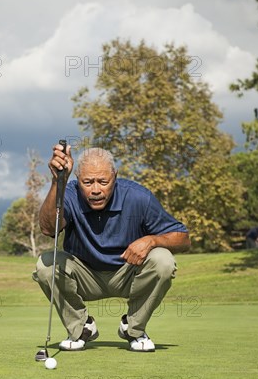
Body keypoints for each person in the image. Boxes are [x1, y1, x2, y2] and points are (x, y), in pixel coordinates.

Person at [32, 143, 191, 353]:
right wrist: (57, 182)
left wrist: (152, 241)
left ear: (115, 177)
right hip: (85, 276)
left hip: (128, 274)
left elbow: (183, 239)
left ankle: (134, 329)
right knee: (46, 265)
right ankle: (81, 329)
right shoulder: (68, 194)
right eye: (87, 182)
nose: (96, 190)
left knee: (163, 260)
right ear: (77, 179)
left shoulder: (138, 197)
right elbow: (47, 228)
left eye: (103, 182)